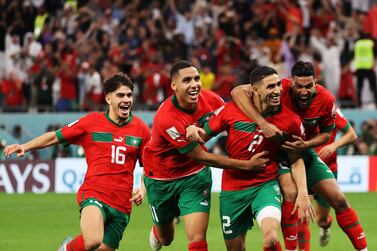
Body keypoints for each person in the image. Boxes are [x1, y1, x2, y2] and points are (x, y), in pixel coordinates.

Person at [4, 73, 151, 251]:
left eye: (129, 95)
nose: (126, 100)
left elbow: (150, 167)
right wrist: (25, 147)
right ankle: (65, 248)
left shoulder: (141, 129)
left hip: (122, 203)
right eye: (120, 95)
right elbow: (54, 137)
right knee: (92, 241)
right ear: (108, 98)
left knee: (101, 249)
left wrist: (142, 188)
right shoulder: (91, 123)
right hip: (94, 194)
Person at [231, 61, 368, 251]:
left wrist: (307, 144)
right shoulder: (280, 88)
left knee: (339, 199)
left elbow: (328, 134)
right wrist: (262, 123)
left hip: (304, 151)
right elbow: (237, 91)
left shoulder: (326, 99)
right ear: (291, 82)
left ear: (316, 82)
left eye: (309, 86)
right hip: (277, 153)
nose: (304, 91)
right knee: (292, 195)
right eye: (299, 86)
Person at [143, 60, 269, 251]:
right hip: (161, 178)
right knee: (166, 238)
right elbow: (200, 155)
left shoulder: (211, 99)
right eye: (187, 80)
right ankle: (158, 231)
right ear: (174, 86)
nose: (194, 84)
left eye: (196, 79)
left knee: (197, 238)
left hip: (194, 176)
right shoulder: (167, 117)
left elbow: (231, 117)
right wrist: (246, 165)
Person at [186, 66, 314, 251]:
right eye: (270, 87)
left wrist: (302, 191)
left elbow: (295, 159)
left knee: (270, 238)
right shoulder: (230, 111)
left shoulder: (291, 120)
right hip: (233, 189)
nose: (277, 90)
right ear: (254, 89)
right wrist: (191, 128)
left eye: (278, 85)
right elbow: (200, 139)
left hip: (265, 184)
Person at [312, 107, 357, 247]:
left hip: (327, 171)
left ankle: (325, 227)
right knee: (302, 216)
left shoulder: (330, 109)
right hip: (304, 166)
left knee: (321, 220)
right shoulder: (299, 105)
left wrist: (333, 146)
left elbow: (351, 135)